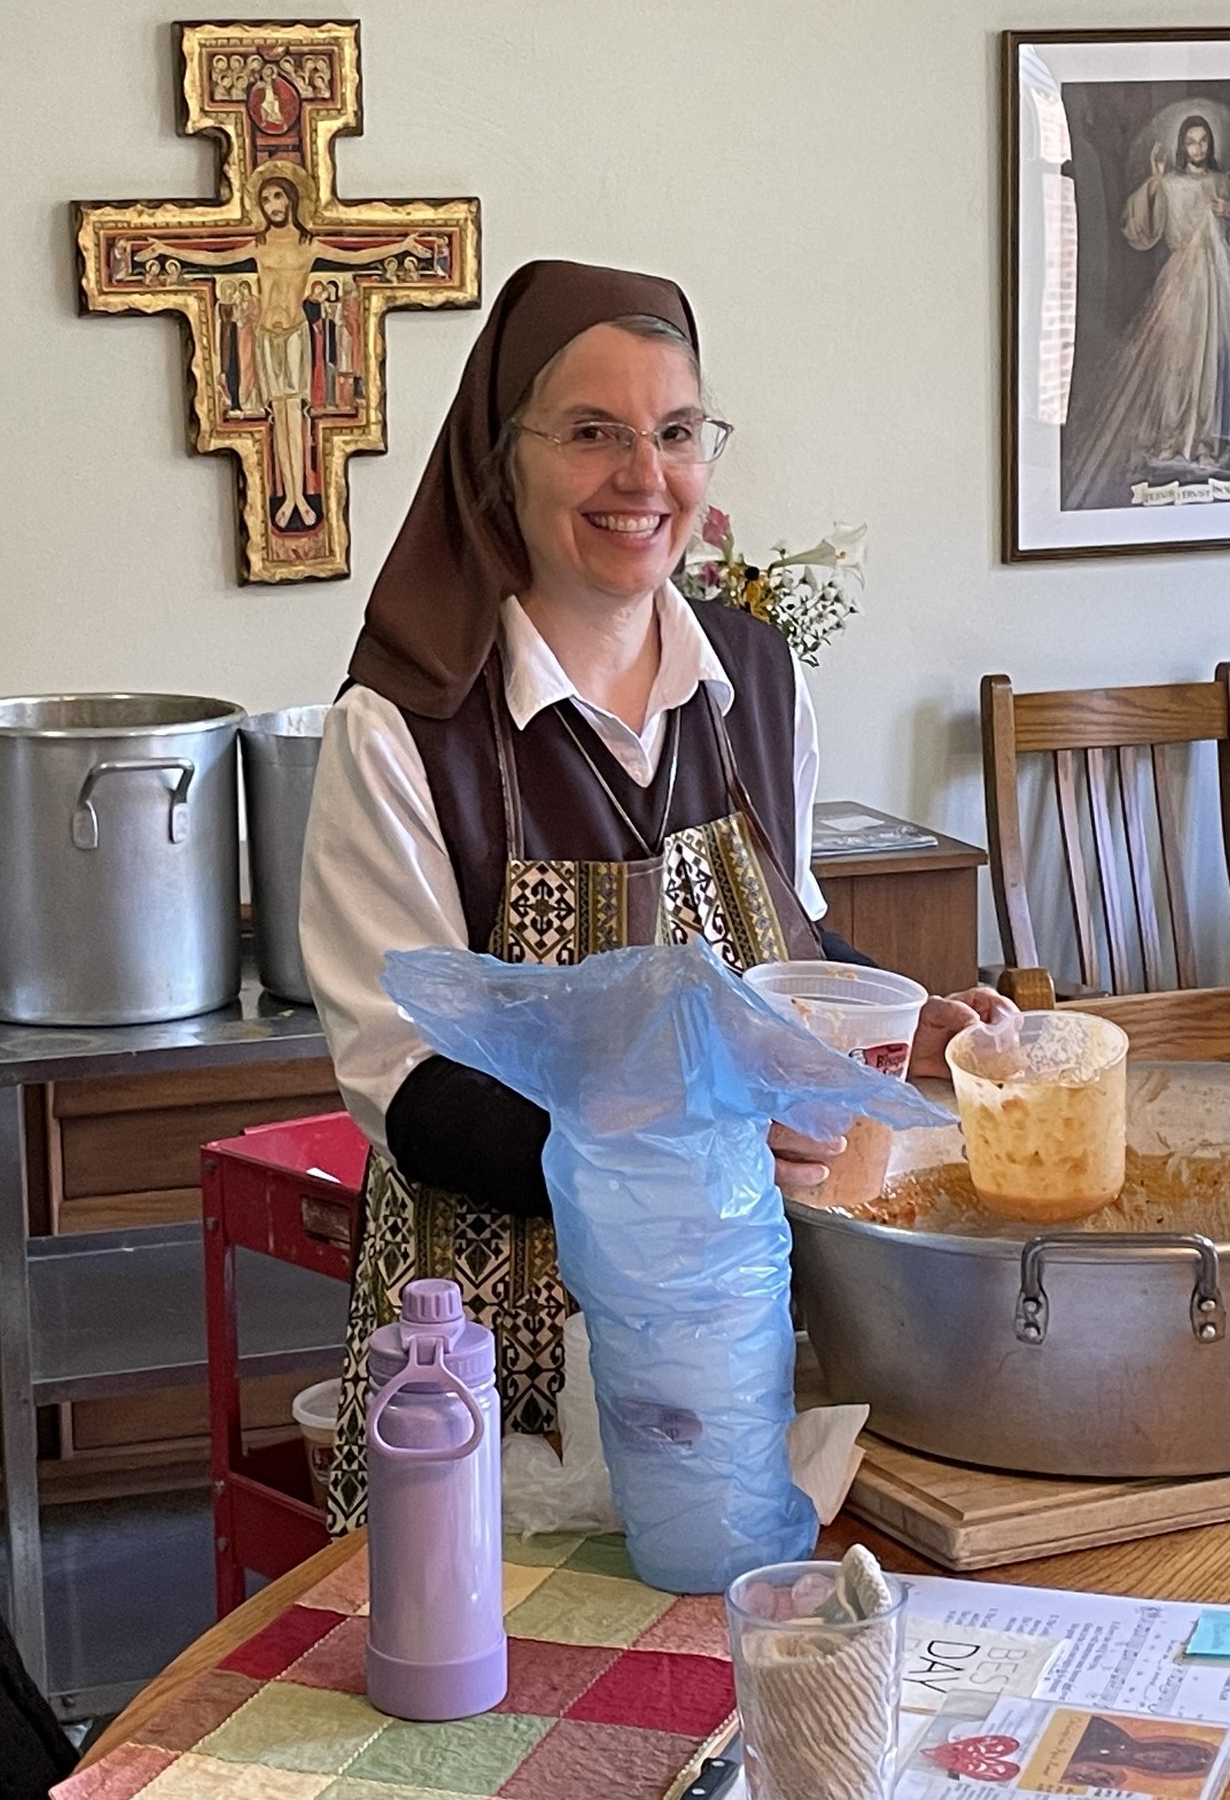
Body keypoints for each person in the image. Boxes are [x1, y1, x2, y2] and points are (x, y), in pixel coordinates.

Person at [300, 259, 1019, 1532]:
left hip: (744, 1363)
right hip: (494, 1387)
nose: (645, 478)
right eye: (592, 434)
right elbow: (403, 1084)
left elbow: (782, 939)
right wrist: (704, 1152)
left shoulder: (753, 681)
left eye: (677, 433)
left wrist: (898, 1038)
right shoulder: (406, 728)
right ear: (500, 454)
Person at [1064, 113, 1230, 509]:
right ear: (1183, 145)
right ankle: (1169, 435)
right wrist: (1155, 179)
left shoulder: (1219, 182)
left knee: (1207, 362)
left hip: (1211, 282)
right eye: (1191, 142)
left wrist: (1226, 213)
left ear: (1210, 146)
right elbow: (1141, 224)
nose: (1197, 148)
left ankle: (1201, 442)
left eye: (1203, 142)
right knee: (1175, 360)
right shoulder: (1172, 183)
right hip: (1181, 279)